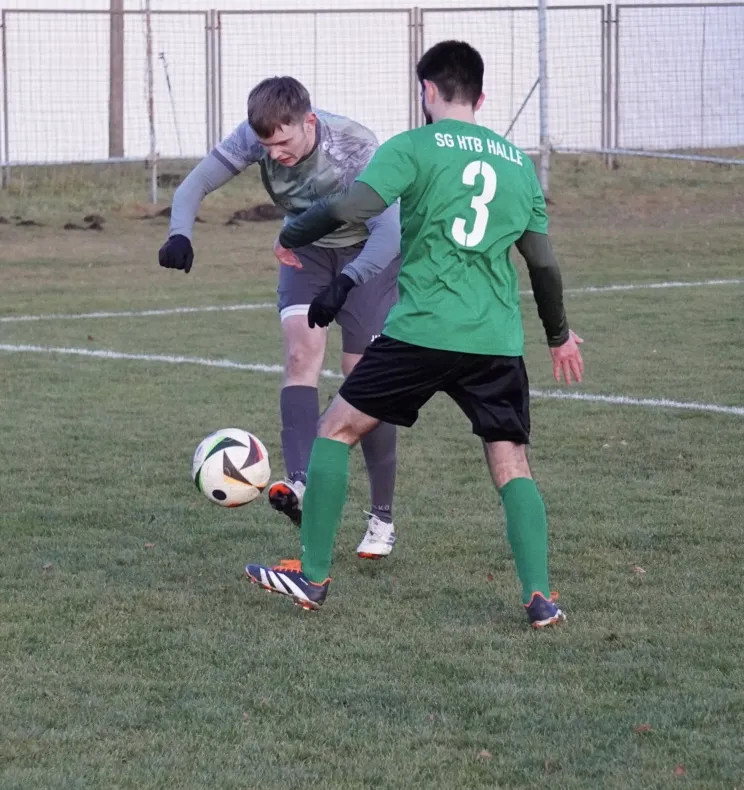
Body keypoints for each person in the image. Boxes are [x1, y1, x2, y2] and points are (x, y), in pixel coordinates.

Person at [243, 41, 585, 629]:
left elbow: (350, 207)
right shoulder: (518, 163)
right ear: (480, 96)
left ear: (427, 90)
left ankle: (312, 577)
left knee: (335, 429)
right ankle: (540, 598)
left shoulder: (412, 147)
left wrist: (293, 232)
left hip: (421, 330)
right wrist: (558, 336)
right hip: (495, 339)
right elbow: (543, 263)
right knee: (511, 463)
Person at [158, 77, 401, 559]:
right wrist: (179, 234)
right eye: (266, 146)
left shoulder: (355, 148)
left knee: (363, 380)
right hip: (304, 251)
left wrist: (348, 281)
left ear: (308, 121)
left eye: (284, 143)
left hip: (368, 255)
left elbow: (389, 233)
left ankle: (382, 517)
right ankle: (302, 483)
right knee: (299, 353)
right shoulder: (258, 136)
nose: (275, 154)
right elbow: (194, 185)